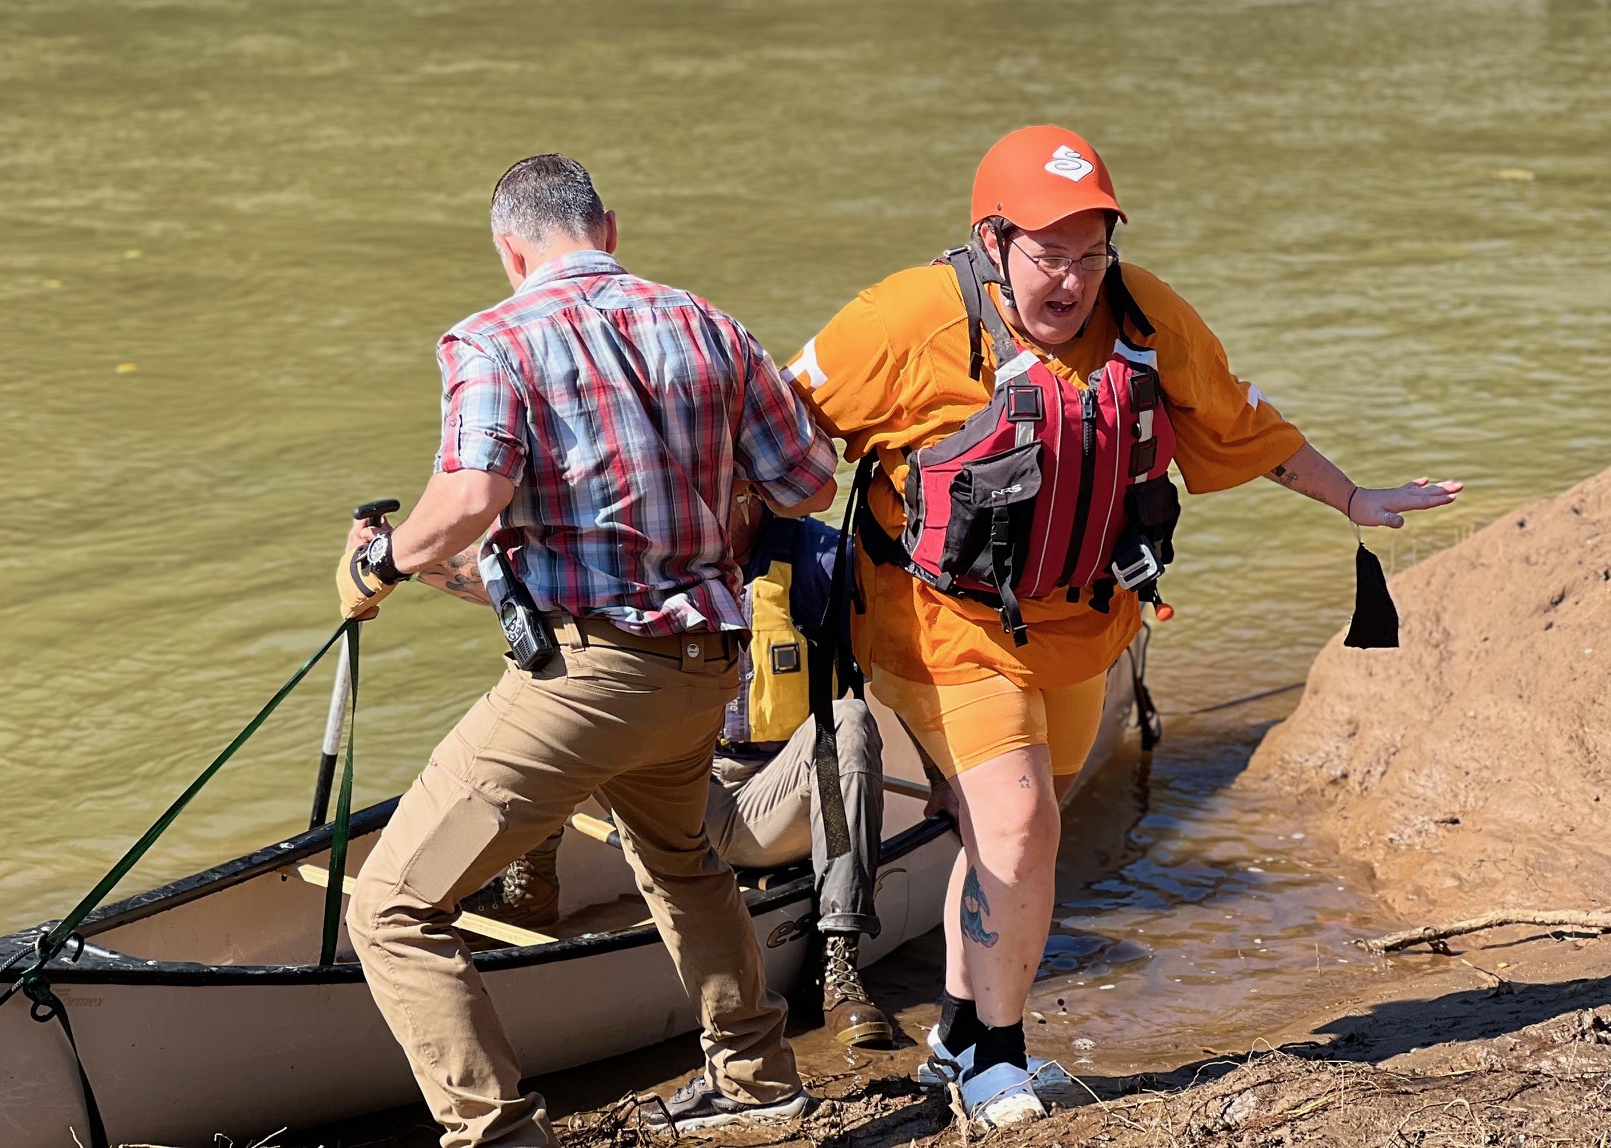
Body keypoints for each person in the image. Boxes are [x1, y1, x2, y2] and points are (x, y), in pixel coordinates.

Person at [783, 126, 1461, 1130]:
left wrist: (1352, 498)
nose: (1071, 279)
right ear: (992, 237)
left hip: (1084, 624)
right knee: (1019, 829)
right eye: (1048, 253)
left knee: (1011, 837)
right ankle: (999, 1063)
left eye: (1091, 252)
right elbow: (784, 428)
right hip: (940, 621)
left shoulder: (1143, 314)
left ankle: (955, 1040)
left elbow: (1239, 425)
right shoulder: (906, 321)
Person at [334, 154, 839, 1148]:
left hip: (590, 681)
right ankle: (760, 1086)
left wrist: (379, 564)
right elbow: (810, 484)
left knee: (390, 911)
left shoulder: (491, 337)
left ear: (508, 249)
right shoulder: (710, 323)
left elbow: (471, 499)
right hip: (704, 669)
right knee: (684, 866)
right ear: (605, 228)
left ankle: (497, 1132)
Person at [427, 499, 897, 1050]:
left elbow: (906, 667)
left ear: (751, 487)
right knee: (569, 692)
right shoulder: (653, 552)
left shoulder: (817, 558)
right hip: (674, 790)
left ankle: (838, 967)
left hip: (766, 804)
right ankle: (530, 889)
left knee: (847, 721)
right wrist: (385, 559)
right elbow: (501, 575)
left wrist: (945, 782)